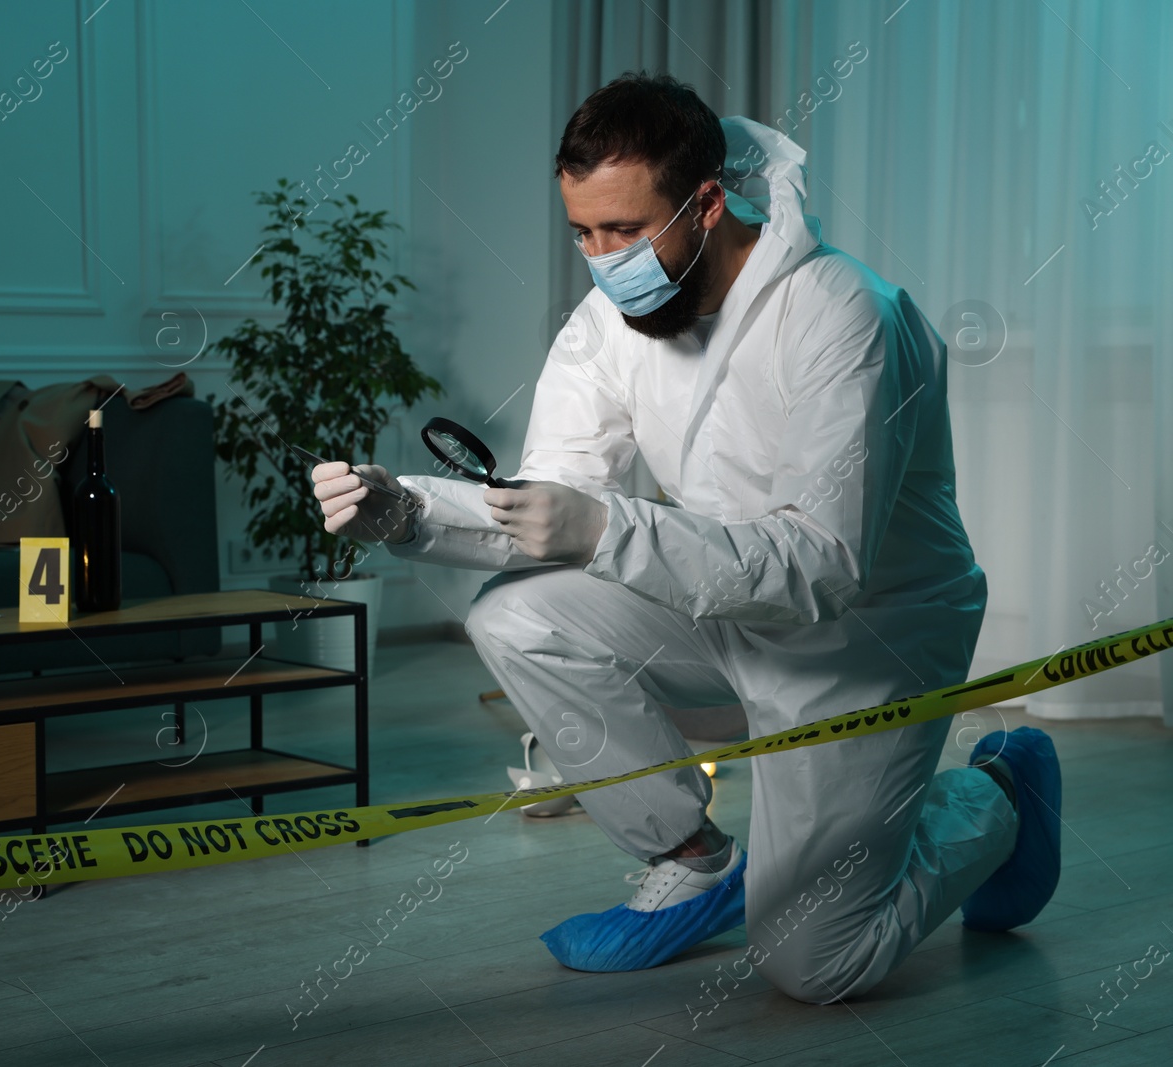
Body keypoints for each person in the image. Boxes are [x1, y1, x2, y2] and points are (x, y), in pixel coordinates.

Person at [309, 72, 1062, 1004]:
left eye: (624, 231)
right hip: (720, 608)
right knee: (516, 615)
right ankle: (694, 858)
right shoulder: (608, 321)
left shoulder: (845, 316)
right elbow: (552, 503)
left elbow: (824, 568)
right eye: (582, 232)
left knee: (812, 961)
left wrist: (606, 525)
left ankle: (997, 799)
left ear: (708, 202)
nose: (601, 258)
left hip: (868, 640)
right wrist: (413, 513)